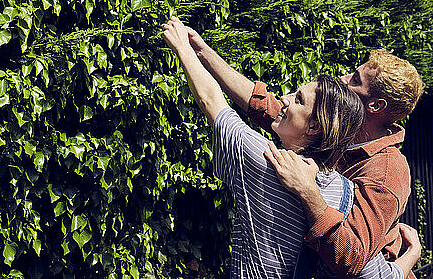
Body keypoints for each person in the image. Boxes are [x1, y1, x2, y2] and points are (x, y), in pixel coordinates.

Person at [161, 16, 422, 278]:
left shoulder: (387, 172)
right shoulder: (337, 170)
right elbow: (265, 107)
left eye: (354, 79)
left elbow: (352, 259)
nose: (342, 79)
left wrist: (308, 192)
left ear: (376, 106)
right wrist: (203, 51)